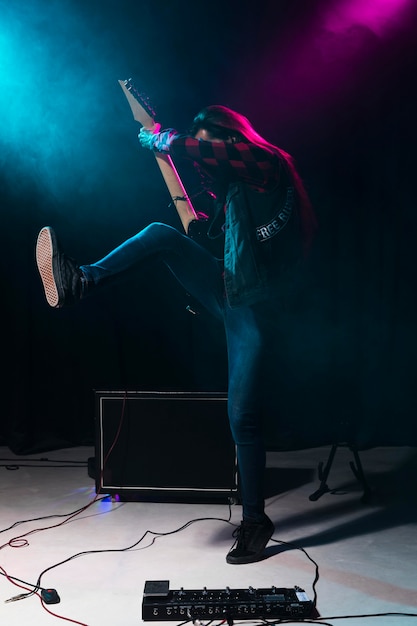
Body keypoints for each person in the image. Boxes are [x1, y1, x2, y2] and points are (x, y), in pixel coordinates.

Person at [36, 104, 317, 564]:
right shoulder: (233, 199)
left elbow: (230, 154)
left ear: (231, 138)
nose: (207, 158)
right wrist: (195, 218)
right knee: (160, 234)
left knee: (241, 417)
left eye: (212, 146)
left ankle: (254, 520)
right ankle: (80, 281)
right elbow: (211, 243)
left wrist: (165, 140)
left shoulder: (269, 165)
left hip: (258, 311)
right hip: (227, 289)